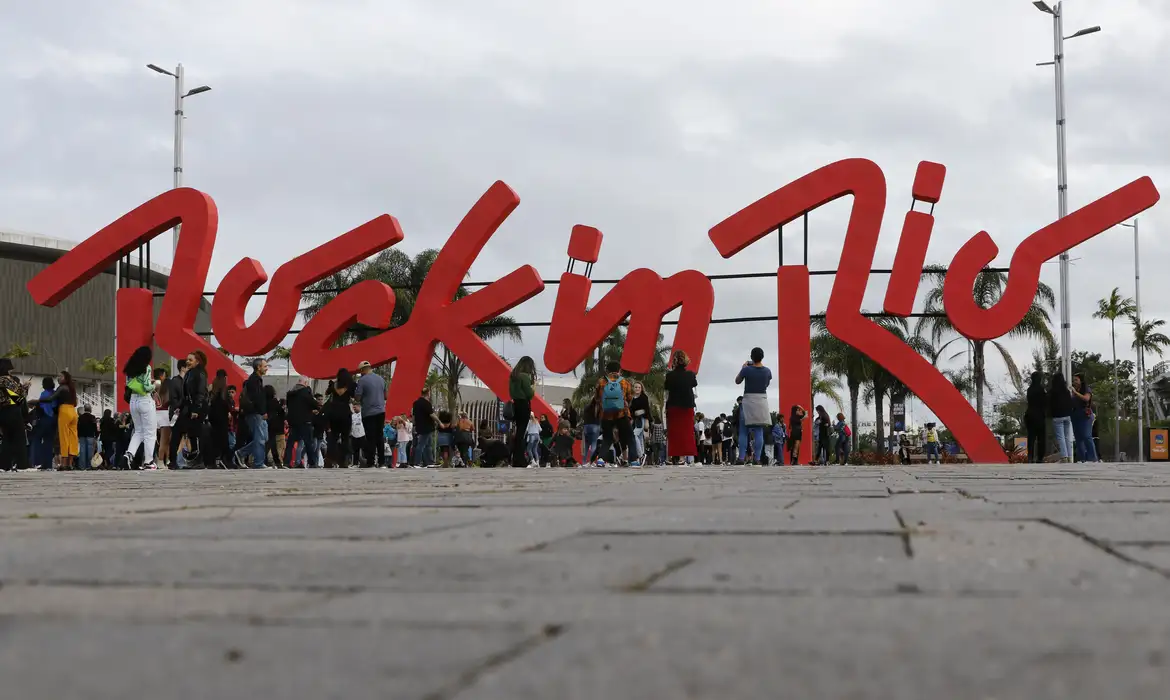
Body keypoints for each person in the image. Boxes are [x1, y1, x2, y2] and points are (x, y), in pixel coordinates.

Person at [121, 345, 159, 470]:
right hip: (145, 401)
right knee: (150, 433)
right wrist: (155, 384)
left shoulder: (130, 367)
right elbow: (147, 387)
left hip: (133, 401)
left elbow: (130, 384)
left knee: (138, 431)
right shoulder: (146, 368)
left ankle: (128, 455)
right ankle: (149, 461)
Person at [171, 351, 209, 469]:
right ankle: (178, 461)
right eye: (187, 359)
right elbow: (186, 394)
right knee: (186, 433)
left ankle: (196, 460)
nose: (187, 362)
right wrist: (180, 407)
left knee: (194, 434)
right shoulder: (189, 373)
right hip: (188, 408)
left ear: (197, 361)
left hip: (196, 410)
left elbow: (200, 393)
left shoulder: (200, 374)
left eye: (190, 360)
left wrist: (196, 409)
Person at [735, 348, 772, 465]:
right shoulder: (767, 371)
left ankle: (741, 458)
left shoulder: (747, 370)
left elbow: (737, 381)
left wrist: (743, 368)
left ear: (751, 357)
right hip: (761, 401)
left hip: (748, 400)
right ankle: (757, 459)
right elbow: (767, 384)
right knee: (759, 430)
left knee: (743, 431)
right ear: (762, 357)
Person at [596, 361, 634, 466]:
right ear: (619, 371)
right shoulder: (624, 382)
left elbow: (597, 398)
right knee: (627, 436)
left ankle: (601, 459)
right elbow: (630, 398)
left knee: (607, 437)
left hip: (606, 414)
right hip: (622, 413)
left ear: (607, 371)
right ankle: (632, 460)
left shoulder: (601, 382)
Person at [664, 350, 698, 465]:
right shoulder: (690, 375)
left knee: (673, 432)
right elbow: (694, 384)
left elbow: (667, 388)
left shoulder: (669, 376)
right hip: (687, 406)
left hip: (673, 405)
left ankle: (671, 456)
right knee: (686, 432)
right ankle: (682, 457)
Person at [233, 358, 269, 469]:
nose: (266, 368)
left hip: (256, 413)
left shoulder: (256, 380)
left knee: (263, 438)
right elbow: (257, 398)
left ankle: (241, 453)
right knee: (259, 438)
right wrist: (262, 411)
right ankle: (258, 463)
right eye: (265, 366)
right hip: (254, 413)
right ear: (258, 367)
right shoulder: (254, 380)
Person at [354, 360, 387, 467]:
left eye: (361, 371)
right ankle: (382, 462)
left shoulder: (362, 380)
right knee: (379, 436)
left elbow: (357, 397)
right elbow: (386, 396)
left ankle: (370, 462)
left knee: (370, 438)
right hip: (381, 411)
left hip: (368, 413)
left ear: (363, 370)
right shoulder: (381, 379)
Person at [0, 358, 31, 472]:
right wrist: (26, 386)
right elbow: (20, 395)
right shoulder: (6, 380)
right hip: (12, 411)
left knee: (7, 439)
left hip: (2, 411)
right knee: (19, 438)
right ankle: (22, 465)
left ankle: (4, 465)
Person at [508, 356, 537, 468]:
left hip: (516, 405)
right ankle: (520, 459)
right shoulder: (524, 377)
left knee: (519, 432)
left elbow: (511, 393)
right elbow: (530, 394)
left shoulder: (513, 376)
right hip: (524, 405)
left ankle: (516, 458)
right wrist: (534, 387)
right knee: (521, 433)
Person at [285, 377, 318, 469]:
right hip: (305, 420)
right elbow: (314, 404)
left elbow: (289, 406)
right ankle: (312, 462)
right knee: (308, 442)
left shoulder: (290, 393)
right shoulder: (305, 392)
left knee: (290, 442)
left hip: (293, 421)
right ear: (306, 383)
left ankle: (286, 462)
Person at [325, 369, 355, 467]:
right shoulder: (350, 385)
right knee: (345, 437)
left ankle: (329, 459)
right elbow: (355, 396)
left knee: (333, 437)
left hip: (334, 412)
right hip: (345, 412)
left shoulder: (334, 384)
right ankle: (343, 461)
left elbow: (326, 393)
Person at [30, 377, 57, 469]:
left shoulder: (44, 393)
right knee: (49, 442)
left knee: (36, 439)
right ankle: (48, 464)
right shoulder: (55, 393)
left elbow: (41, 406)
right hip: (53, 419)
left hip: (44, 418)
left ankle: (37, 462)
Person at [207, 373, 233, 469]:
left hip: (213, 417)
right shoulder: (224, 390)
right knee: (224, 440)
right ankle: (226, 460)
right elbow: (226, 404)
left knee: (215, 440)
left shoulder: (213, 388)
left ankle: (212, 462)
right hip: (222, 417)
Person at [1071, 373, 1097, 463]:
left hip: (1085, 414)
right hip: (1075, 414)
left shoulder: (1086, 389)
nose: (1074, 382)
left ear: (1081, 380)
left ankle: (1092, 458)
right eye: (1073, 380)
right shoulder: (1074, 390)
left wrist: (1075, 393)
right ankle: (1082, 458)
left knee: (1086, 436)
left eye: (1076, 380)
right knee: (1078, 438)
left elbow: (1086, 398)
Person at [1048, 371, 1074, 463]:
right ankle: (1070, 456)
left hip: (1057, 416)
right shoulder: (1066, 391)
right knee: (1067, 437)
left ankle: (1064, 457)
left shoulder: (1052, 392)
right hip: (1067, 416)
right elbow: (1070, 403)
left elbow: (1049, 404)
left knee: (1061, 437)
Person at [1024, 371, 1047, 463]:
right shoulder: (1042, 389)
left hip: (1030, 415)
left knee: (1031, 437)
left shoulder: (1029, 389)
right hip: (1040, 415)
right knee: (1041, 437)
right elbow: (1045, 402)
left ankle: (1030, 456)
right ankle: (1040, 457)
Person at [412, 387, 437, 467]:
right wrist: (439, 422)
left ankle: (429, 462)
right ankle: (417, 462)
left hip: (420, 426)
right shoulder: (426, 403)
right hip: (427, 426)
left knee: (428, 444)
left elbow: (414, 416)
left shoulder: (416, 403)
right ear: (428, 393)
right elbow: (432, 414)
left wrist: (414, 425)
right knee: (422, 444)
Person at [154, 367, 172, 467]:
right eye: (164, 374)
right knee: (164, 440)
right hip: (164, 413)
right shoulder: (163, 385)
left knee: (162, 439)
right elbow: (168, 400)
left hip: (155, 413)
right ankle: (161, 460)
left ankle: (166, 459)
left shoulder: (153, 385)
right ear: (161, 375)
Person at [265, 385, 286, 467]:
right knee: (272, 443)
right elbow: (281, 411)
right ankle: (277, 461)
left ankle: (265, 459)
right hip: (274, 424)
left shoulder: (264, 401)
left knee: (268, 442)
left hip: (266, 422)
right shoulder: (274, 401)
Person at [630, 381, 651, 461]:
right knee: (639, 438)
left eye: (639, 387)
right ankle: (642, 457)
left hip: (641, 420)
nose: (637, 389)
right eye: (636, 387)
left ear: (641, 389)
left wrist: (646, 420)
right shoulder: (632, 398)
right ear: (633, 388)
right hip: (634, 420)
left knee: (634, 435)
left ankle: (640, 455)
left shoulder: (644, 397)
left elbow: (647, 410)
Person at [582, 395, 601, 465]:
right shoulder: (599, 408)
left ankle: (583, 462)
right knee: (594, 444)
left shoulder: (587, 407)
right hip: (595, 426)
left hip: (586, 427)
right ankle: (592, 462)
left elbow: (583, 417)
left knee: (586, 446)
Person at [78, 405, 98, 470]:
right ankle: (89, 466)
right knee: (90, 451)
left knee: (82, 451)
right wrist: (96, 435)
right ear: (90, 410)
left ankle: (82, 466)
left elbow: (78, 427)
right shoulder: (92, 417)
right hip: (90, 436)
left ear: (85, 409)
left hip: (82, 436)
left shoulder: (80, 417)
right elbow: (95, 427)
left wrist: (78, 435)